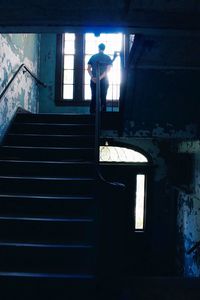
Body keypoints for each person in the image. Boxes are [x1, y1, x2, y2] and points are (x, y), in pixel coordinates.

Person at [87, 43, 112, 113]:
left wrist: (92, 77)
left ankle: (92, 115)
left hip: (94, 80)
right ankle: (103, 115)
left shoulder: (93, 57)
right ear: (104, 48)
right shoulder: (108, 57)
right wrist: (100, 78)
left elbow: (88, 69)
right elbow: (108, 70)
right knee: (103, 97)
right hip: (104, 80)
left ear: (98, 48)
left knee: (94, 97)